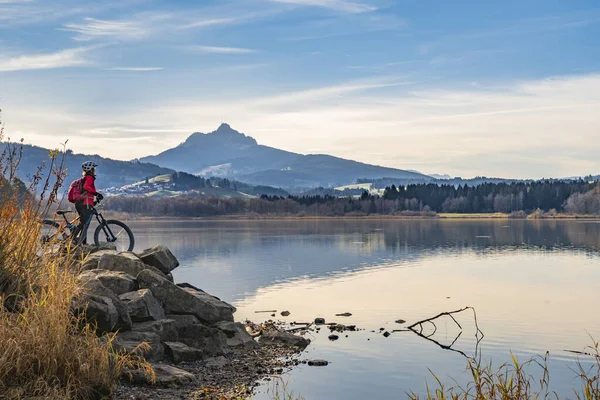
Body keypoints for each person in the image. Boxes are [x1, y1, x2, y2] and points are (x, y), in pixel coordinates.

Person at [75, 161, 103, 244]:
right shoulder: (89, 178)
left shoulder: (85, 178)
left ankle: (82, 243)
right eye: (94, 168)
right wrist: (96, 194)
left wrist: (93, 202)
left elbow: (85, 193)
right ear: (91, 169)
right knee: (84, 224)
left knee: (84, 225)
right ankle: (72, 239)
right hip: (84, 204)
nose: (95, 170)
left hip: (82, 204)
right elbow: (86, 187)